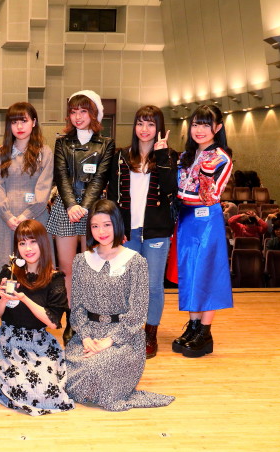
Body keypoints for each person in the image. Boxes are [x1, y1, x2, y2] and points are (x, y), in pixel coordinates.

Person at [65, 199, 174, 411]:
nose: (101, 231)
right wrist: (86, 338)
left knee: (95, 368)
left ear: (117, 223)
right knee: (64, 371)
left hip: (124, 338)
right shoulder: (81, 261)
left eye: (107, 224)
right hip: (89, 335)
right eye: (95, 226)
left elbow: (138, 312)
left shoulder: (135, 261)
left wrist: (109, 341)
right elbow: (77, 308)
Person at [107, 105, 178, 359]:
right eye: (140, 123)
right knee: (125, 284)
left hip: (156, 232)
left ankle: (150, 333)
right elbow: (113, 195)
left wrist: (162, 156)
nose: (144, 129)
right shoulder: (121, 156)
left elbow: (171, 190)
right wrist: (117, 228)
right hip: (128, 232)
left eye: (150, 124)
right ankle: (127, 331)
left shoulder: (169, 156)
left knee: (153, 285)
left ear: (159, 128)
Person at [0, 220, 74, 416]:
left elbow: (54, 323)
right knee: (23, 387)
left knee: (47, 391)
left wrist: (24, 298)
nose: (28, 248)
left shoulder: (55, 278)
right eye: (22, 243)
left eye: (33, 242)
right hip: (8, 341)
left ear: (43, 243)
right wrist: (3, 299)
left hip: (40, 343)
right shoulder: (9, 272)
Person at [173, 104, 233, 358]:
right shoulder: (185, 155)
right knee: (189, 272)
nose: (199, 130)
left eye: (206, 125)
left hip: (207, 220)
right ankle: (194, 325)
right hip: (186, 219)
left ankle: (205, 332)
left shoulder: (221, 157)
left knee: (207, 273)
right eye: (196, 124)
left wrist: (205, 171)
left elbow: (210, 196)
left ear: (217, 128)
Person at [47, 90, 115, 300]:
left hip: (92, 208)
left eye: (83, 111)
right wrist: (71, 205)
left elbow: (100, 178)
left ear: (94, 113)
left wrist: (84, 207)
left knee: (93, 266)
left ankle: (90, 312)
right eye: (73, 111)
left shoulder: (107, 143)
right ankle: (71, 314)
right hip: (66, 208)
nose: (78, 116)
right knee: (66, 268)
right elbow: (61, 176)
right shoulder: (62, 143)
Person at [0, 102, 54, 270]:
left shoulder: (45, 152)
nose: (19, 126)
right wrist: (7, 216)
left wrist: (26, 216)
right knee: (1, 270)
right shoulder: (0, 153)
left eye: (24, 121)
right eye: (14, 122)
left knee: (37, 270)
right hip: (3, 219)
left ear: (34, 122)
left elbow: (43, 189)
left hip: (35, 217)